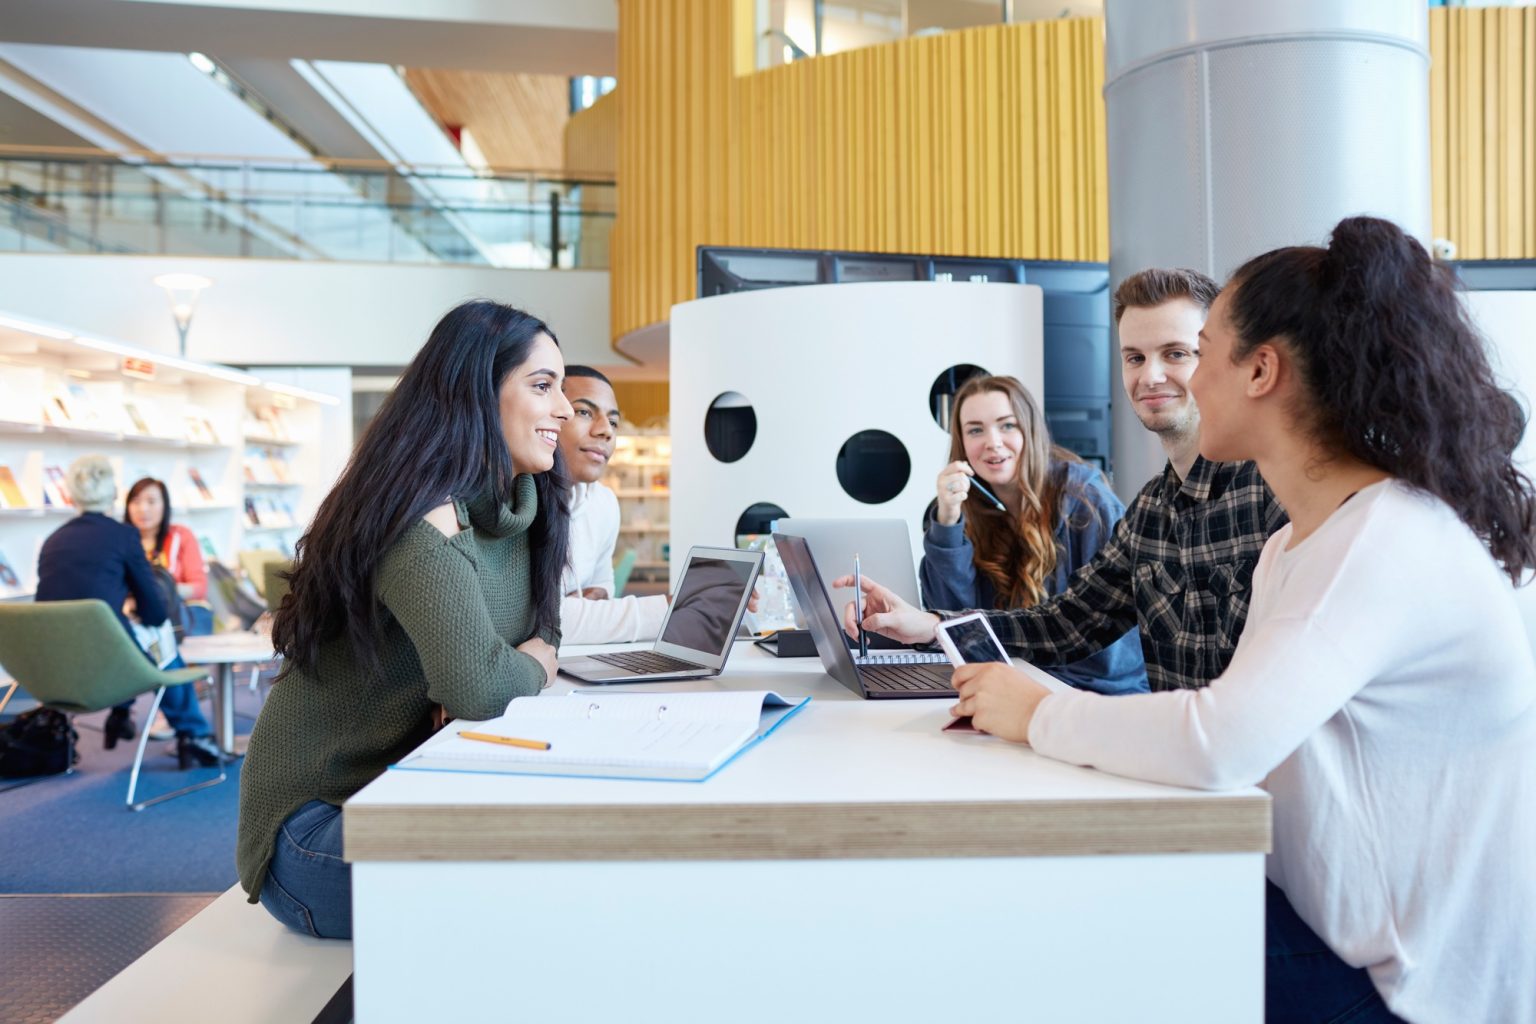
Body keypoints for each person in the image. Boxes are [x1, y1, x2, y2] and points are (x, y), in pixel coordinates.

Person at [951, 217, 1536, 1023]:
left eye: (1202, 352)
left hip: (1408, 984)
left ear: (1261, 369)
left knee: (1070, 948)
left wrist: (1040, 711)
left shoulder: (1384, 542)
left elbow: (1218, 740)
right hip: (1333, 921)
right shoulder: (1298, 546)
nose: (1178, 383)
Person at [237, 300, 573, 940]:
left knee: (570, 843)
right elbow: (479, 688)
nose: (564, 408)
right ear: (476, 393)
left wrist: (511, 666)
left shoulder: (527, 507)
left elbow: (543, 628)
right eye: (542, 385)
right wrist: (521, 666)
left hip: (408, 785)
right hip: (317, 828)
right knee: (544, 878)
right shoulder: (422, 519)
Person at [841, 268, 1288, 693]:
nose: (1149, 376)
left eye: (1175, 353)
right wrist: (931, 624)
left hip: (1213, 754)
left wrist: (1046, 708)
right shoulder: (1151, 511)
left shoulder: (1273, 492)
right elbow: (1066, 623)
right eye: (1134, 357)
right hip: (1165, 756)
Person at [921, 375, 1145, 694]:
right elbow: (953, 622)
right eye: (975, 430)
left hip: (1094, 692)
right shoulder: (964, 511)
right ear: (961, 443)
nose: (993, 442)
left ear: (1030, 430)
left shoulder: (1086, 500)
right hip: (1014, 680)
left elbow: (1109, 644)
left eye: (1007, 425)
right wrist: (947, 520)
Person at [34, 455, 220, 767]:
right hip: (109, 669)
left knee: (126, 635)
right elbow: (156, 611)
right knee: (160, 642)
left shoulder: (53, 540)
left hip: (55, 673)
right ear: (113, 493)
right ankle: (194, 735)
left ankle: (123, 714)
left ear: (71, 494)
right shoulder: (122, 536)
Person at [557, 365, 669, 644]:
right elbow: (539, 621)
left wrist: (594, 600)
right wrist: (675, 609)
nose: (606, 431)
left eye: (614, 422)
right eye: (584, 412)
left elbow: (603, 582)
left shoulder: (603, 503)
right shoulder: (519, 503)